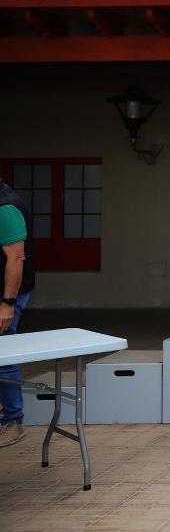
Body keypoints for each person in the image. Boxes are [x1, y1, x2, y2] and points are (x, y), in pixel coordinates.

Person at [0, 178, 33, 448]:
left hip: (6, 295)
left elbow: (16, 258)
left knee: (3, 351)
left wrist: (7, 303)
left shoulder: (6, 207)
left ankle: (13, 420)